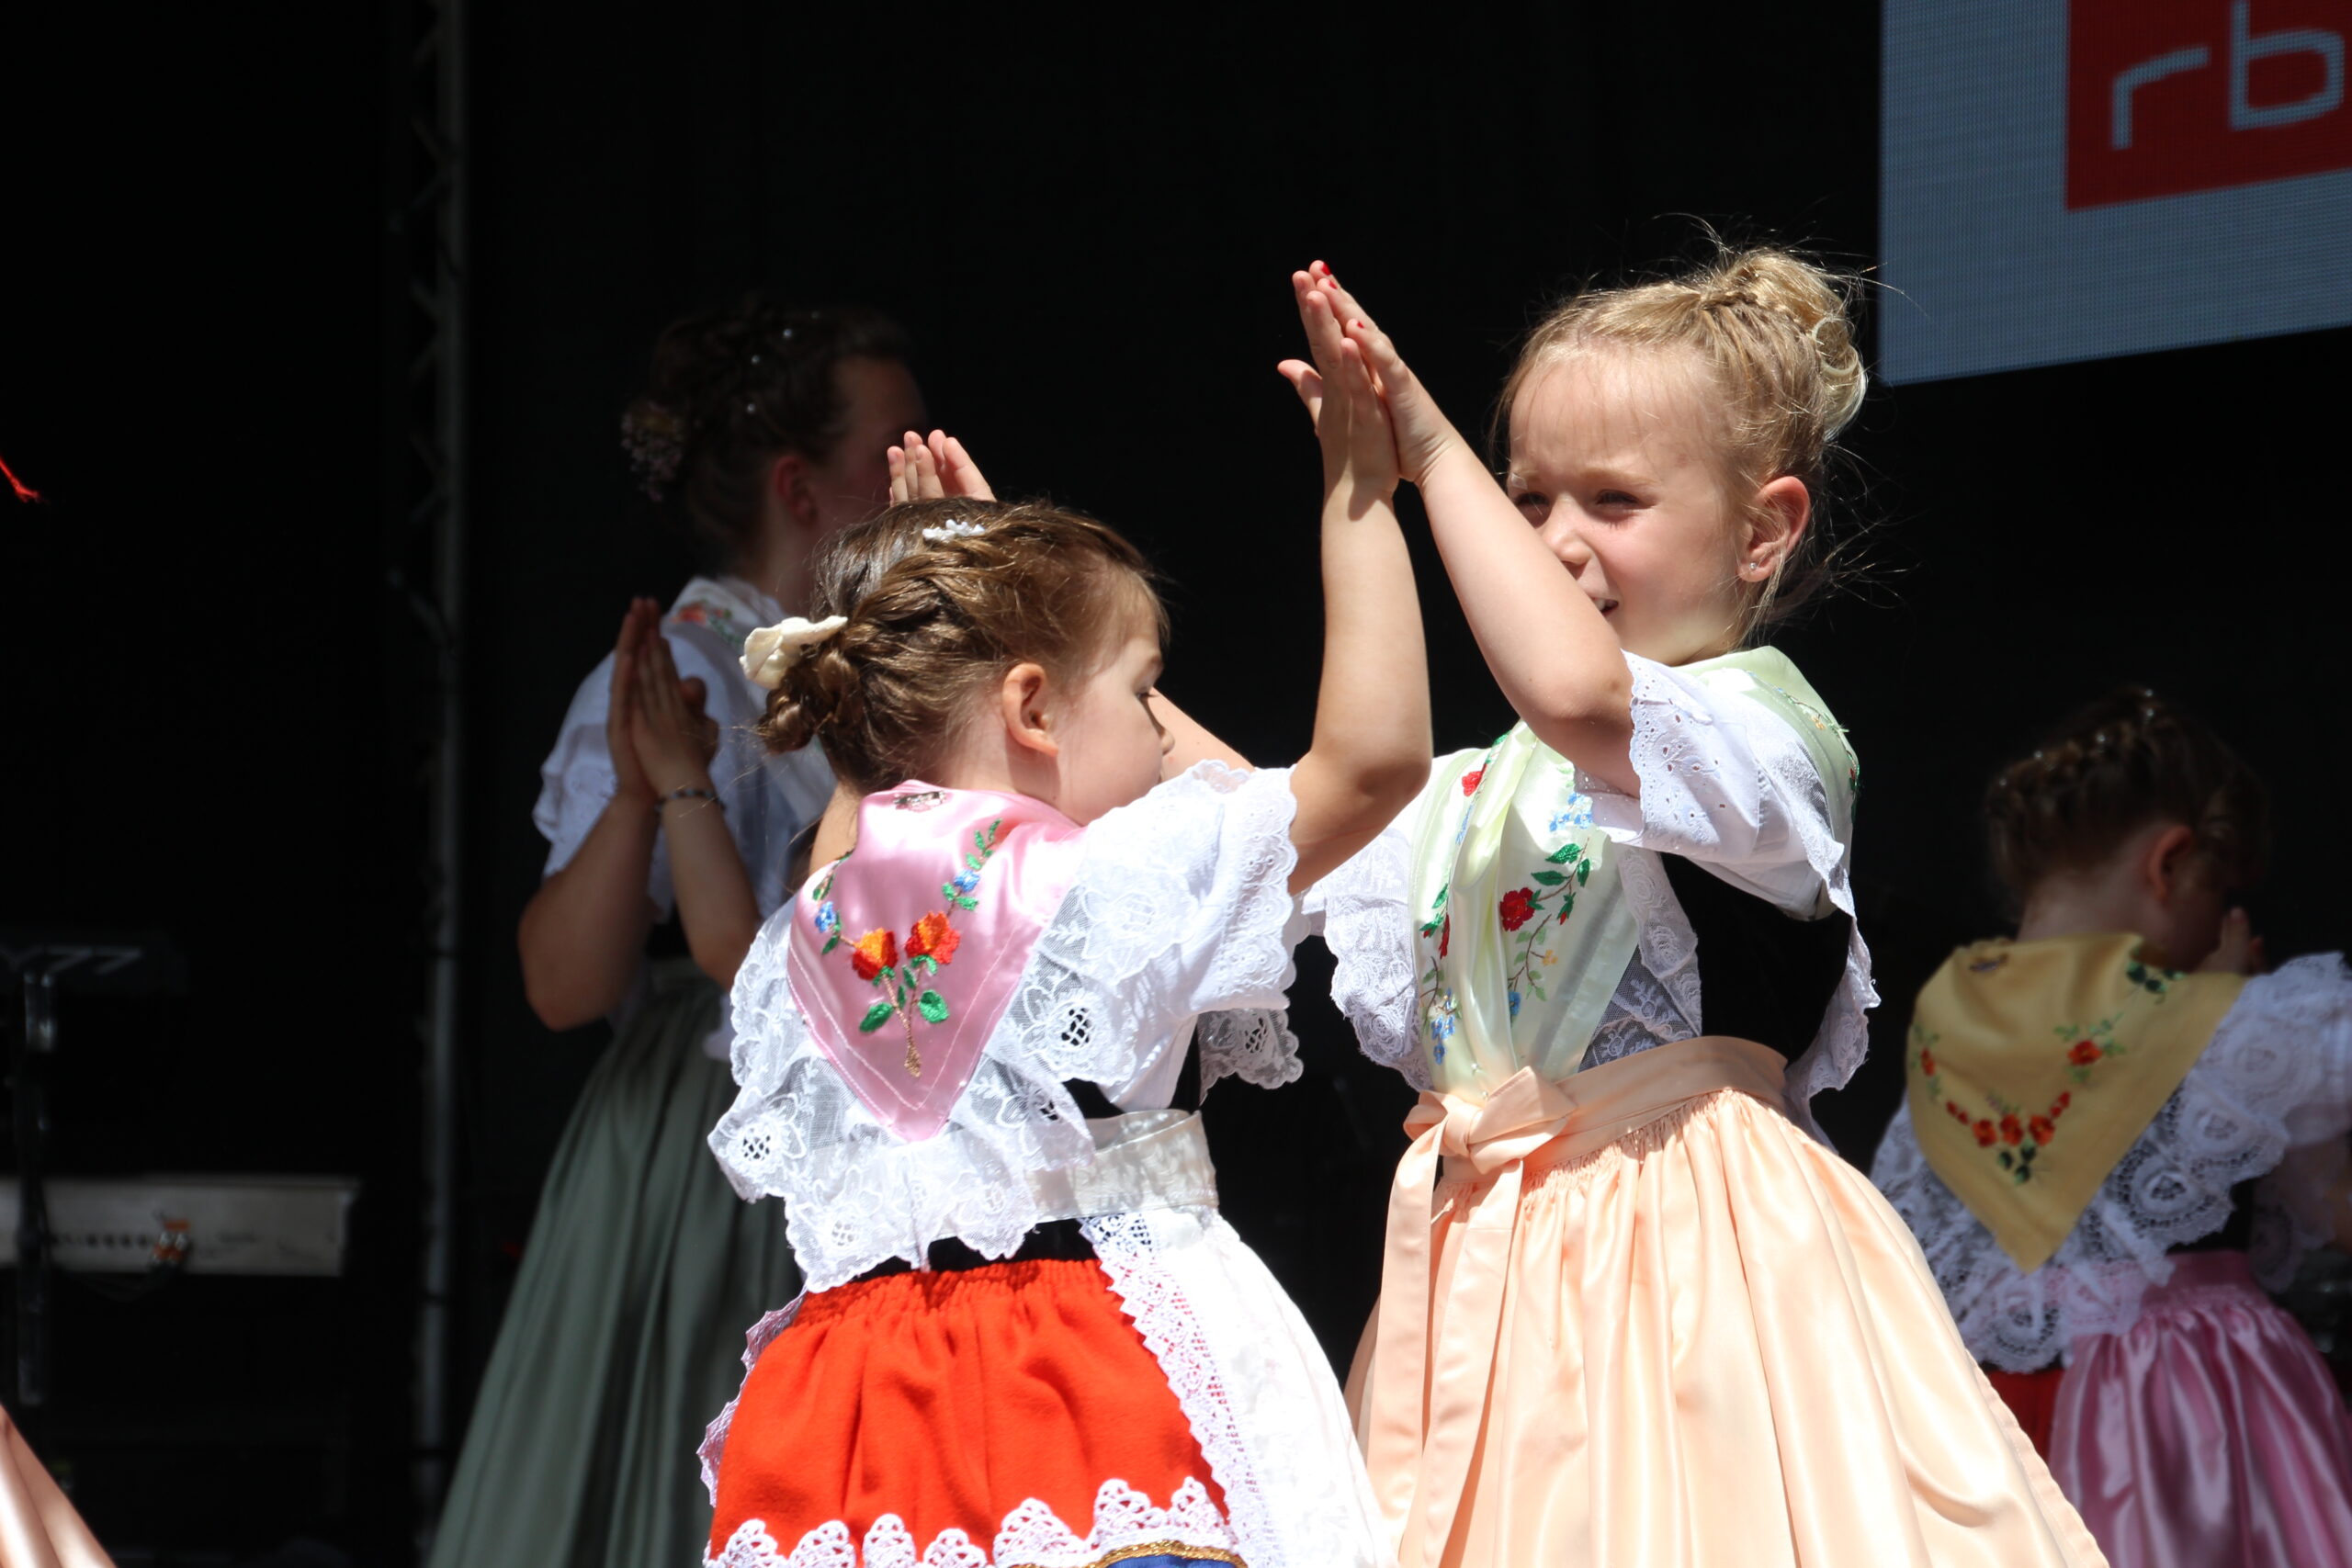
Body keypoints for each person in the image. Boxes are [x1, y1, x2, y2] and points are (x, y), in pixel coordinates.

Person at [1297, 253, 2106, 1566]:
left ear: (1761, 532)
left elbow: (1579, 694)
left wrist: (1433, 455)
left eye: (1611, 499)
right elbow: (1262, 827)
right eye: (1527, 496)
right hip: (1488, 1303)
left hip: (1692, 1274)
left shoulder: (1754, 735)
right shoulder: (1475, 791)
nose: (1553, 539)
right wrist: (1052, 633)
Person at [697, 274, 1424, 1567]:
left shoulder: (802, 931)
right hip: (1092, 1395)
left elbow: (875, 789)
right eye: (1145, 693)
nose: (1156, 730)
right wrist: (1359, 490)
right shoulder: (1116, 881)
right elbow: (1370, 762)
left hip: (860, 1426)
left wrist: (941, 595)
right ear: (1032, 707)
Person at [428, 301, 923, 1568]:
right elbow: (560, 986)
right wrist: (651, 786)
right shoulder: (684, 674)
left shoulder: (897, 677)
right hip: (705, 1142)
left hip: (874, 1115)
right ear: (799, 487)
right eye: (889, 448)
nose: (915, 467)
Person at [1872, 687, 2352, 1565]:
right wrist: (2233, 1010)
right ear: (2171, 864)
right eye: (2219, 894)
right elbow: (2335, 1206)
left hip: (1993, 1439)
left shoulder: (1941, 1048)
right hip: (2187, 1428)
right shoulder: (2241, 1030)